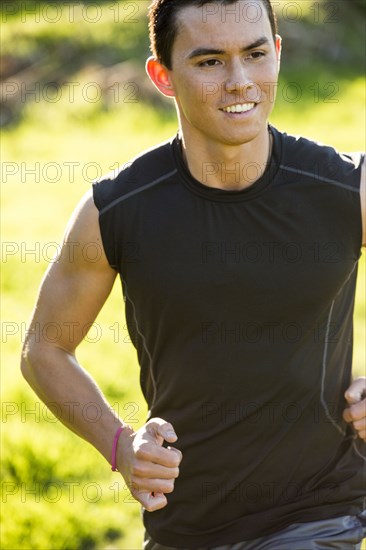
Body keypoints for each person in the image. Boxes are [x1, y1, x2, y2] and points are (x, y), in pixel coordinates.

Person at [21, 0, 366, 548]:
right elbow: (43, 349)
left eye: (255, 55)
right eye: (210, 62)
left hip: (320, 513)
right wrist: (120, 446)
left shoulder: (346, 188)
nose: (240, 82)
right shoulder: (116, 210)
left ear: (276, 54)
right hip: (183, 526)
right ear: (163, 76)